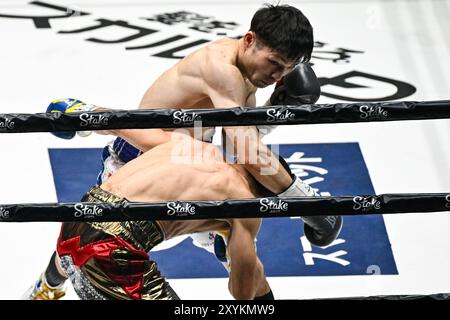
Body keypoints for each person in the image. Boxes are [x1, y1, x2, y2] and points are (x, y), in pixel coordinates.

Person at [24, 4, 338, 299]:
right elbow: (248, 153)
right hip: (141, 160)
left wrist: (273, 108)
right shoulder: (222, 70)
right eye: (274, 63)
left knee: (239, 252)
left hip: (184, 160)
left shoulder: (248, 75)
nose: (277, 77)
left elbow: (239, 144)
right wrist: (306, 202)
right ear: (249, 40)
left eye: (285, 69)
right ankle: (48, 285)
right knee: (104, 237)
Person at [58, 133, 280, 300]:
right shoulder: (243, 202)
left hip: (77, 221)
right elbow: (243, 294)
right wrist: (239, 253)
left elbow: (127, 126)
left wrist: (89, 110)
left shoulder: (194, 147)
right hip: (114, 248)